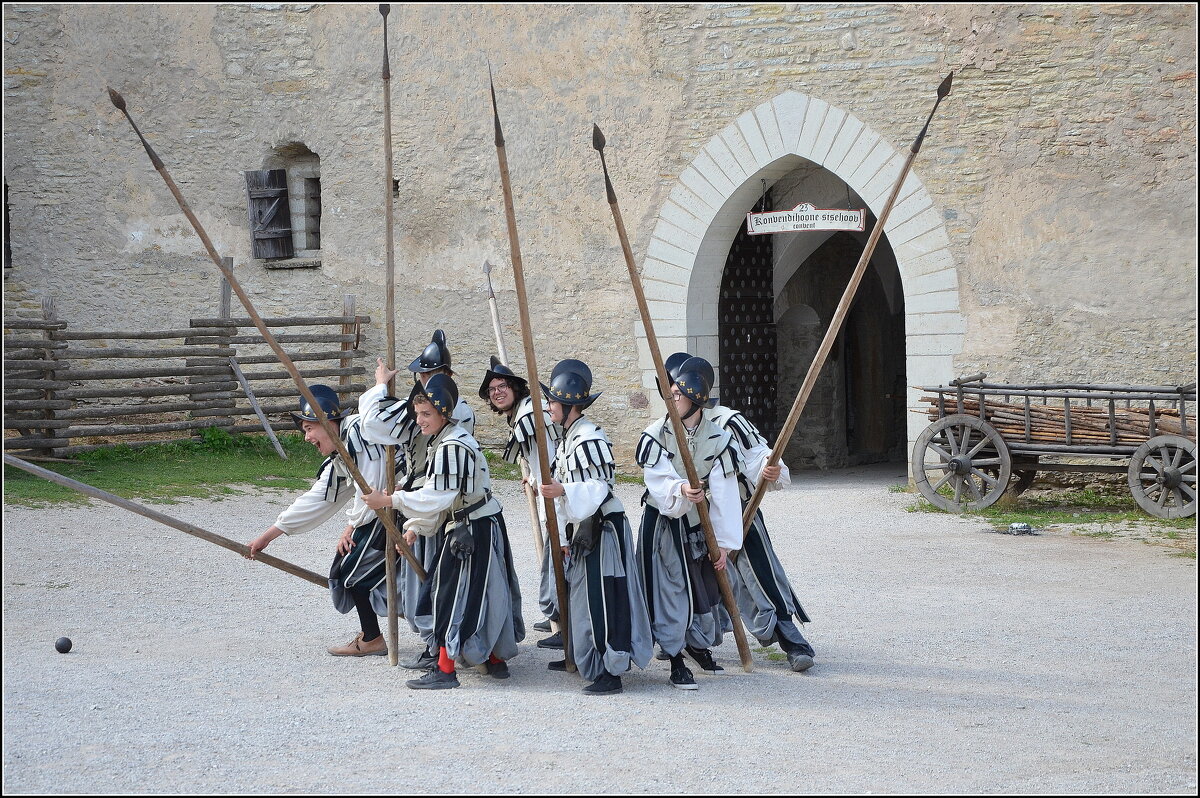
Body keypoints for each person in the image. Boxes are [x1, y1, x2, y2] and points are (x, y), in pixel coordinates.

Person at [363, 373, 524, 690]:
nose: (419, 421)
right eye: (417, 413)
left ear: (444, 414)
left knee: (454, 595)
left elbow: (437, 496)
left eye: (426, 414)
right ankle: (486, 658)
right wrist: (414, 528)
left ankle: (448, 670)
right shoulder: (445, 440)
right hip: (468, 524)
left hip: (472, 529)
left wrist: (390, 499)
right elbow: (442, 498)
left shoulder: (452, 446)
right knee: (476, 594)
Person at [663, 352, 816, 672]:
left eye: (675, 392)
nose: (671, 398)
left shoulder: (728, 421)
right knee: (689, 578)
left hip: (736, 511)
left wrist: (767, 469)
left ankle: (791, 640)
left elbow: (760, 454)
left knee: (758, 574)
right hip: (692, 516)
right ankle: (681, 637)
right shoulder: (669, 427)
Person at [246, 384, 395, 657]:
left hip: (402, 510)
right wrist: (268, 535)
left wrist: (353, 524)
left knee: (353, 571)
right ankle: (372, 637)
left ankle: (386, 638)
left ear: (326, 423)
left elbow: (374, 485)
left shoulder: (361, 434)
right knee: (346, 567)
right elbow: (319, 498)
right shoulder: (343, 450)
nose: (306, 438)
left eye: (308, 429)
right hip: (381, 511)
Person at [535, 359, 653, 695]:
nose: (548, 406)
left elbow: (598, 489)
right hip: (584, 528)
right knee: (581, 596)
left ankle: (610, 671)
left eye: (553, 402)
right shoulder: (570, 438)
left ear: (569, 406)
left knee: (604, 597)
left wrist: (563, 490)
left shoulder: (590, 439)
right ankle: (582, 656)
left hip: (603, 529)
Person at [358, 330, 474, 670]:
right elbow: (372, 425)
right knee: (415, 580)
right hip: (416, 505)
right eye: (422, 376)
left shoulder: (457, 413)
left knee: (433, 582)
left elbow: (374, 422)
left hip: (436, 508)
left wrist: (381, 390)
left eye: (432, 375)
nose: (425, 381)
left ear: (448, 377)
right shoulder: (420, 411)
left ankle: (439, 647)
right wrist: (380, 387)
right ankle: (435, 644)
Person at [635, 356, 742, 690]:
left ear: (695, 399)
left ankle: (695, 644)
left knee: (701, 590)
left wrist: (724, 543)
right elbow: (655, 478)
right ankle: (675, 660)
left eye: (678, 395)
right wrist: (679, 488)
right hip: (663, 525)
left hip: (697, 527)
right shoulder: (656, 433)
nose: (672, 399)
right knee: (669, 593)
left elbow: (724, 493)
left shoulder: (718, 439)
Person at [479, 357, 562, 643]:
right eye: (492, 390)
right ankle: (558, 615)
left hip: (559, 494)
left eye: (502, 386)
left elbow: (551, 453)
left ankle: (565, 624)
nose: (498, 392)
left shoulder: (527, 415)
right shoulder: (521, 414)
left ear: (515, 388)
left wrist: (545, 481)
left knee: (561, 553)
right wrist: (536, 479)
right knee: (554, 553)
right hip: (549, 487)